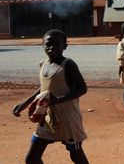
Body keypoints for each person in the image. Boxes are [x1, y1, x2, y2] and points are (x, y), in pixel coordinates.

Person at [12, 29, 89, 164]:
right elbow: (43, 89)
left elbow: (82, 88)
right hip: (47, 118)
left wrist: (58, 100)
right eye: (48, 44)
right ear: (42, 45)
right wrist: (24, 104)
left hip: (68, 119)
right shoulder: (43, 64)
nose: (51, 47)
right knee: (31, 159)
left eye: (56, 44)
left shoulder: (68, 65)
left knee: (76, 155)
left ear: (65, 46)